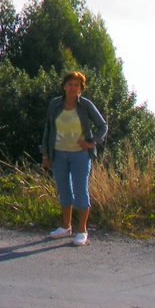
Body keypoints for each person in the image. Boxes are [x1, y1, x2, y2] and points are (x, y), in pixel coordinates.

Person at [40, 70, 108, 246]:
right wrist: (45, 154)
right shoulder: (54, 104)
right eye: (70, 84)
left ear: (81, 89)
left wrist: (91, 142)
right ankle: (65, 226)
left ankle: (82, 230)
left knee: (80, 191)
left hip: (80, 155)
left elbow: (102, 126)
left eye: (76, 85)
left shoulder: (85, 105)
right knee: (64, 190)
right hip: (58, 153)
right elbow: (48, 129)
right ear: (64, 86)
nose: (72, 88)